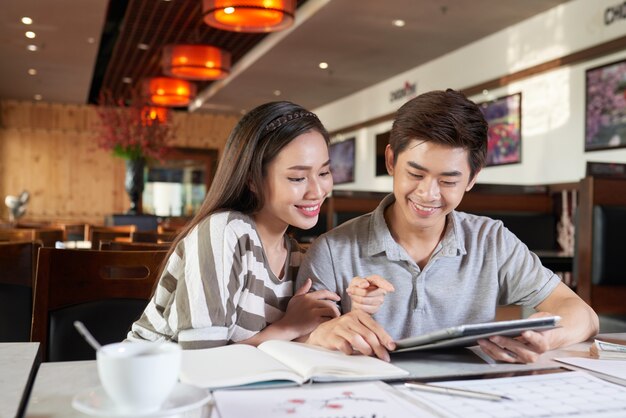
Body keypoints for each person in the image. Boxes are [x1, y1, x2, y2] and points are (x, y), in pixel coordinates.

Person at [296, 89, 599, 363]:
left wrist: (547, 338)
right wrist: (317, 335)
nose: (428, 194)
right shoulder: (333, 251)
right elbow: (293, 338)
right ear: (391, 161)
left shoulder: (490, 241)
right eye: (415, 174)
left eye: (448, 181)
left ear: (472, 177)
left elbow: (583, 315)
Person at [128, 101, 340, 349]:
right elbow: (203, 358)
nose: (317, 191)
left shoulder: (294, 256)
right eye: (297, 178)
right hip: (148, 380)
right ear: (252, 180)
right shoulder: (224, 232)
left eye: (324, 173)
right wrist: (288, 327)